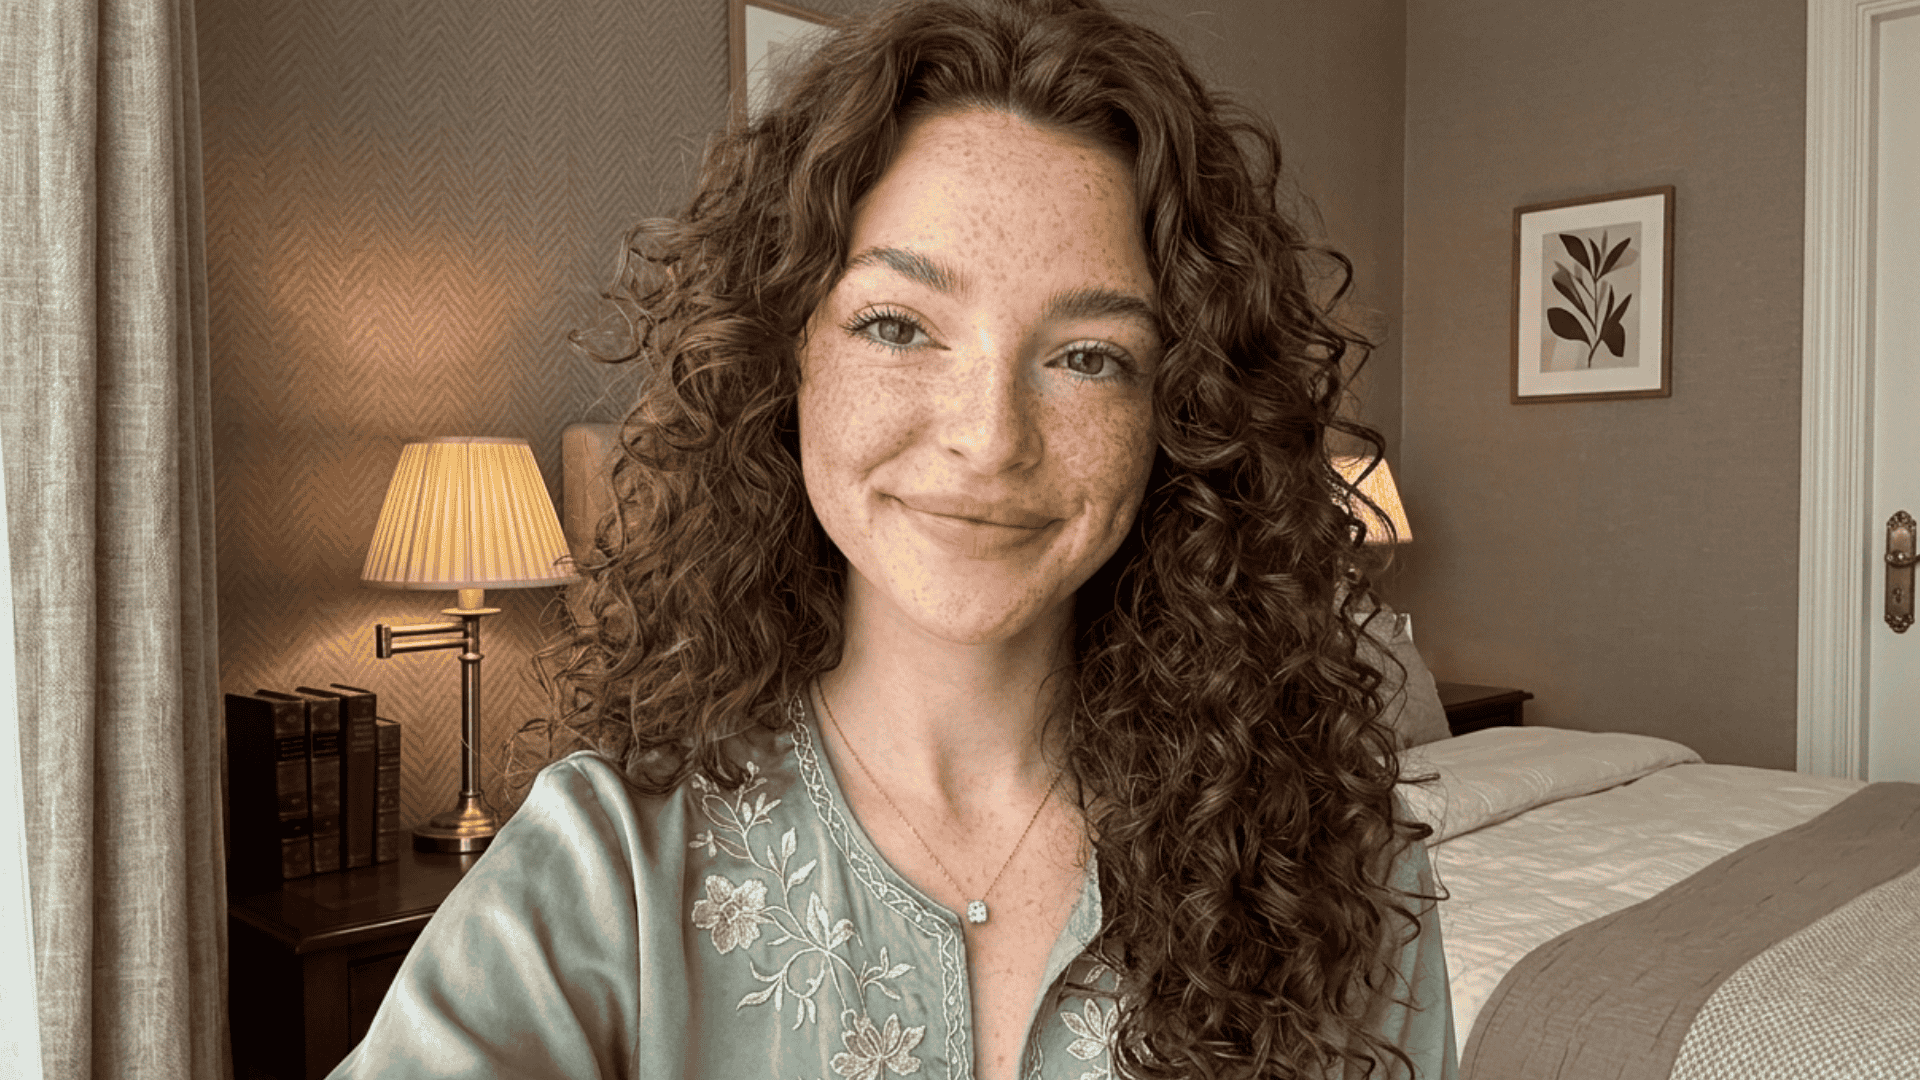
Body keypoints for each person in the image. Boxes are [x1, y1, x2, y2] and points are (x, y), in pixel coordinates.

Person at [328, 0, 1454, 1077]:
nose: (989, 437)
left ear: (1179, 411)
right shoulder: (605, 868)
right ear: (788, 357)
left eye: (1090, 355)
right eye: (898, 326)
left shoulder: (1346, 871)